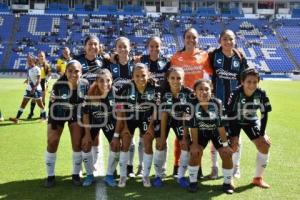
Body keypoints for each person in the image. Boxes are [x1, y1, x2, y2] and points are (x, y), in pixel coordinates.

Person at [170, 27, 213, 178]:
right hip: (181, 101)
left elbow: (215, 70)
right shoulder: (176, 57)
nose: (191, 40)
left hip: (198, 100)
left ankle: (198, 166)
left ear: (197, 39)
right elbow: (169, 75)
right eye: (188, 37)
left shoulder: (204, 55)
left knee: (198, 137)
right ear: (184, 39)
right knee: (181, 135)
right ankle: (176, 165)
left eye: (194, 37)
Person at [209, 29, 249, 179]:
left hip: (234, 105)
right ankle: (214, 167)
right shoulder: (213, 55)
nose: (228, 42)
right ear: (220, 40)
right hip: (217, 104)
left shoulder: (240, 57)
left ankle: (236, 167)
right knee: (216, 135)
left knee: (235, 137)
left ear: (235, 40)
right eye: (225, 39)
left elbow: (245, 80)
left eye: (231, 39)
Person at [44, 60, 89, 188]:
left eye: (77, 71)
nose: (74, 74)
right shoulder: (59, 85)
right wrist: (52, 125)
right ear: (66, 72)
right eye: (70, 71)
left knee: (76, 143)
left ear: (81, 72)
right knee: (52, 141)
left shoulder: (85, 84)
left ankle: (75, 175)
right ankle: (50, 176)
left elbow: (86, 106)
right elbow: (52, 106)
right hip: (58, 113)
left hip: (75, 114)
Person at [116, 63, 160, 187]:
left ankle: (145, 176)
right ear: (132, 76)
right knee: (125, 144)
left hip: (146, 119)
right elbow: (119, 108)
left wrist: (151, 127)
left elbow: (156, 109)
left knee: (147, 144)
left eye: (143, 75)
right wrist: (124, 126)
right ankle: (123, 175)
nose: (141, 78)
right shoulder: (125, 88)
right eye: (137, 75)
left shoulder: (155, 87)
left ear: (148, 75)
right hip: (129, 118)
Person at [186, 79, 234, 194]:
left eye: (206, 89)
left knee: (225, 153)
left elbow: (221, 127)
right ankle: (193, 182)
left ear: (211, 90)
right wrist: (195, 145)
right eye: (200, 89)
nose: (204, 92)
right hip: (201, 132)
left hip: (216, 132)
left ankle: (227, 183)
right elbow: (193, 127)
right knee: (194, 152)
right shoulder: (192, 104)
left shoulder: (217, 103)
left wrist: (226, 145)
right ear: (195, 92)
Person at [226, 68, 271, 188]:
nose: (252, 85)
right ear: (242, 82)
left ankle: (258, 178)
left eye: (255, 82)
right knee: (233, 146)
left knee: (264, 145)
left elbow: (264, 114)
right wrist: (231, 134)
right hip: (235, 120)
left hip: (251, 120)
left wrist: (262, 134)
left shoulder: (261, 94)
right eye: (249, 82)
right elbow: (229, 114)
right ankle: (229, 178)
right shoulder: (235, 93)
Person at [134, 36, 170, 177]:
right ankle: (142, 166)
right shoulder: (141, 60)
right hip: (145, 104)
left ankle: (162, 167)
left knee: (162, 137)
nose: (155, 49)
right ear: (148, 46)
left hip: (162, 105)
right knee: (143, 136)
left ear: (161, 47)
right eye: (152, 46)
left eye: (157, 46)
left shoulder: (167, 62)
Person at [74, 35, 110, 174]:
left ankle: (93, 166)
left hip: (97, 105)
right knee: (82, 136)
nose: (93, 47)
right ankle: (81, 167)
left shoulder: (103, 61)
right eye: (90, 44)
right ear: (85, 46)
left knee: (95, 136)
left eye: (96, 44)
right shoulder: (77, 60)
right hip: (81, 105)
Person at [81, 69, 120, 187]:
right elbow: (86, 114)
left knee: (116, 145)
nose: (105, 84)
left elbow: (120, 117)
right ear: (96, 81)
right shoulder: (90, 94)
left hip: (110, 122)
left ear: (112, 80)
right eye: (101, 81)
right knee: (86, 144)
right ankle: (89, 175)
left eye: (108, 80)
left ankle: (109, 175)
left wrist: (116, 136)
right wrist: (87, 134)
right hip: (94, 122)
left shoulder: (117, 94)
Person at [155, 67, 193, 188]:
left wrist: (185, 136)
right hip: (165, 119)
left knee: (186, 145)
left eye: (178, 78)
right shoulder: (163, 92)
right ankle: (158, 176)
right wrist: (161, 137)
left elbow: (186, 116)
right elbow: (164, 115)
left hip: (181, 121)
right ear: (167, 79)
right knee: (160, 145)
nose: (176, 81)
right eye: (172, 78)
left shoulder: (189, 93)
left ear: (183, 79)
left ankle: (180, 176)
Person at [108, 36, 137, 177]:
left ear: (130, 47)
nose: (122, 49)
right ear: (116, 49)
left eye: (125, 46)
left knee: (129, 139)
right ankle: (113, 169)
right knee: (115, 138)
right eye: (119, 46)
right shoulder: (109, 64)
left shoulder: (136, 64)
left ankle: (129, 167)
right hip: (115, 108)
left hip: (132, 107)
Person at [9, 54, 47, 124]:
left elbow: (39, 80)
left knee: (40, 104)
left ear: (33, 61)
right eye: (27, 60)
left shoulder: (37, 69)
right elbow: (30, 78)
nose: (28, 62)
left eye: (29, 60)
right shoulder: (29, 69)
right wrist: (27, 80)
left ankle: (45, 117)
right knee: (23, 103)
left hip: (36, 89)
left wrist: (34, 88)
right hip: (29, 89)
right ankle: (16, 118)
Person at [27, 51, 51, 119]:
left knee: (42, 99)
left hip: (43, 82)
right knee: (34, 98)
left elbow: (49, 75)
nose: (41, 57)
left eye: (42, 56)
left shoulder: (47, 65)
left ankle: (42, 114)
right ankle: (31, 113)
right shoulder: (35, 64)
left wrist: (47, 81)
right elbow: (30, 72)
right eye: (40, 56)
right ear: (38, 57)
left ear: (44, 57)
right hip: (36, 82)